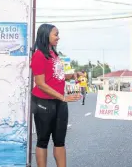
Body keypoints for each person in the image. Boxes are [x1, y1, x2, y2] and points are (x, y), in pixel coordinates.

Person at [31, 24, 81, 167]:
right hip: (43, 102)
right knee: (43, 140)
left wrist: (72, 75)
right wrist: (63, 97)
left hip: (59, 102)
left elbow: (55, 76)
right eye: (55, 34)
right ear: (45, 35)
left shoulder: (53, 53)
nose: (58, 37)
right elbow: (40, 83)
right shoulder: (39, 55)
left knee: (60, 140)